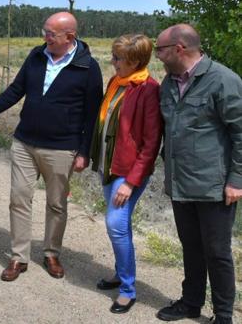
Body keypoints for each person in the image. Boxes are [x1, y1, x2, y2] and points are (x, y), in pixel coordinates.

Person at [0, 11, 103, 281]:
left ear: (69, 37)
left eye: (50, 33)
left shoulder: (88, 67)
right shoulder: (37, 56)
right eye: (44, 31)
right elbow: (15, 90)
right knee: (19, 199)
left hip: (62, 148)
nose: (44, 37)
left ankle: (51, 253)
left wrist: (84, 152)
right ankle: (18, 257)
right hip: (25, 143)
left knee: (57, 204)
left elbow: (92, 115)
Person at [154, 24, 242, 324]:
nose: (158, 56)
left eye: (161, 50)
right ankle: (191, 303)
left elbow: (241, 133)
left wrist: (236, 180)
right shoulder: (168, 83)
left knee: (217, 252)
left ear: (179, 48)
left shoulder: (223, 81)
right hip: (181, 184)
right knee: (191, 248)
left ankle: (223, 315)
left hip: (215, 186)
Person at [88, 34, 162, 314]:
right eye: (113, 55)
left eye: (118, 58)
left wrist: (131, 182)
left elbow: (151, 143)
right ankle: (121, 273)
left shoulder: (149, 89)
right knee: (121, 226)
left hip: (128, 173)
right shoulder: (116, 82)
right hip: (110, 167)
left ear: (135, 61)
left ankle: (128, 290)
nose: (112, 61)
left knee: (115, 224)